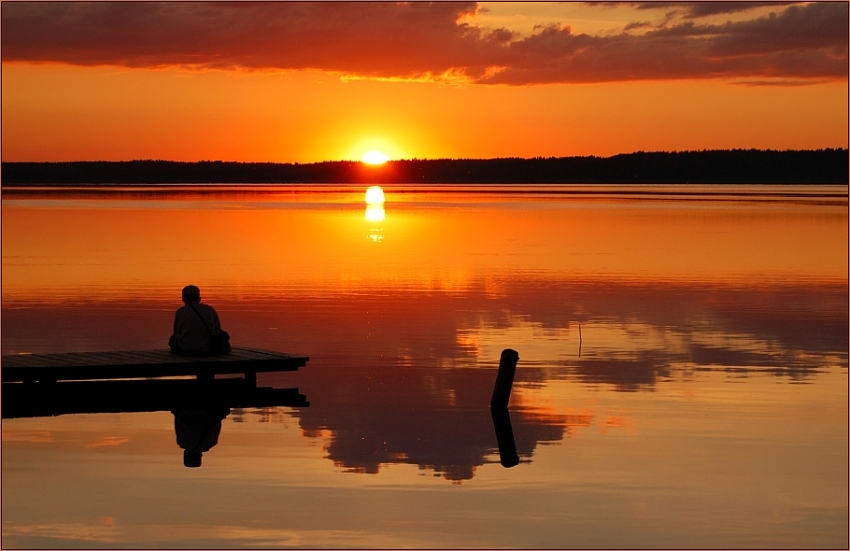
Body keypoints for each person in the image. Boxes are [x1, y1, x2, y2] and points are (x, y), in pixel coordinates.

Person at [168, 285, 230, 355]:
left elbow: (176, 333)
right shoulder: (209, 310)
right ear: (199, 298)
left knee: (173, 339)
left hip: (186, 349)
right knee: (223, 334)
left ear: (184, 299)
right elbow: (217, 330)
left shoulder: (180, 311)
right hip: (208, 349)